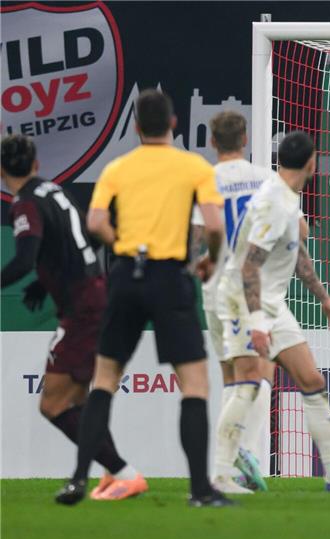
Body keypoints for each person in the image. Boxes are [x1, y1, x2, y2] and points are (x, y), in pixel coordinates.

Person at [54, 89, 229, 507]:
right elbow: (216, 227)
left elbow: (95, 221)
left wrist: (124, 244)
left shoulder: (118, 167)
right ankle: (200, 490)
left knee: (106, 378)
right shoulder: (193, 166)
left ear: (135, 128)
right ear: (174, 124)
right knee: (194, 384)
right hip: (170, 277)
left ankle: (79, 479)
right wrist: (208, 261)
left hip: (126, 277)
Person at [213, 131, 330, 492]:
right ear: (312, 163)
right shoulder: (274, 201)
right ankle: (220, 476)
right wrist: (256, 323)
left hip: (271, 302)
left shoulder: (285, 198)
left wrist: (324, 299)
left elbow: (295, 253)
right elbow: (248, 267)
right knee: (248, 384)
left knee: (312, 381)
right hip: (243, 299)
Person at [1, 134, 145, 500]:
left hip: (83, 311)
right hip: (96, 295)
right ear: (35, 163)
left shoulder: (25, 204)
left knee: (52, 404)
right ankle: (116, 474)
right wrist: (42, 283)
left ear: (3, 171)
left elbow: (23, 259)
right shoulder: (54, 190)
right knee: (80, 400)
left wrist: (31, 275)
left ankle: (126, 473)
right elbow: (90, 236)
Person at [189, 111, 275, 492]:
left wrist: (200, 263)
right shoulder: (267, 179)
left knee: (230, 376)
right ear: (244, 139)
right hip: (248, 290)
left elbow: (197, 234)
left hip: (213, 288)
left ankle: (237, 462)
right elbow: (294, 228)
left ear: (212, 142)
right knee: (256, 374)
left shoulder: (204, 181)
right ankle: (239, 458)